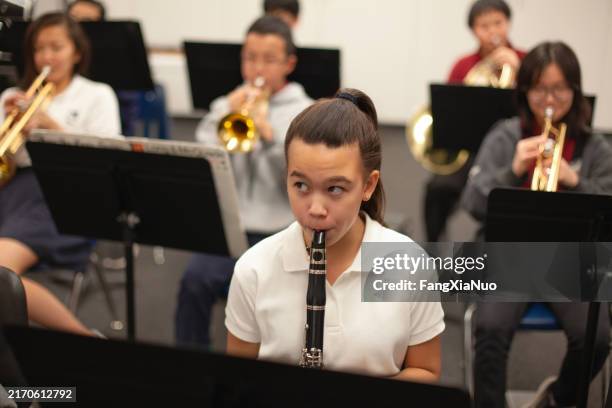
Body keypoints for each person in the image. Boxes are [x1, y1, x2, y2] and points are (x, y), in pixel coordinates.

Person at [225, 88, 445, 380]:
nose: (315, 209)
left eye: (335, 189)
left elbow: (426, 370)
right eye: (301, 185)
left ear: (368, 186)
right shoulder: (254, 269)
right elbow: (236, 381)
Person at [460, 42, 611, 408]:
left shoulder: (595, 147)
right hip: (509, 258)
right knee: (490, 329)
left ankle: (557, 399)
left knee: (596, 336)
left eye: (559, 88)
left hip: (569, 262)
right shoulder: (505, 135)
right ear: (524, 90)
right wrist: (512, 170)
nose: (549, 98)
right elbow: (472, 203)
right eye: (539, 88)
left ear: (575, 91)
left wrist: (576, 182)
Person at [175, 15, 312, 348]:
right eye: (250, 59)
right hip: (231, 228)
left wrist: (268, 134)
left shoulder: (305, 113)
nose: (257, 69)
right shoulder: (226, 104)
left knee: (275, 304)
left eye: (268, 60)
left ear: (289, 64)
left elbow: (305, 180)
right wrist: (225, 118)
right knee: (193, 282)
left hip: (282, 230)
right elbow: (199, 159)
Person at [0, 12, 121, 336]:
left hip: (66, 194)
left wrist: (49, 125)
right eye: (39, 49)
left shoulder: (98, 94)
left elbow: (106, 160)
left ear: (77, 52)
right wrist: (14, 130)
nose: (47, 57)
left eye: (56, 47)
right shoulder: (13, 97)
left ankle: (82, 339)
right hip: (14, 189)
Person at [424, 0, 526, 242]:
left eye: (498, 23)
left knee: (509, 196)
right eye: (484, 25)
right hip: (467, 149)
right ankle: (432, 249)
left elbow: (535, 103)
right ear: (473, 30)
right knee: (436, 189)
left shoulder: (525, 59)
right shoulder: (463, 66)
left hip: (511, 151)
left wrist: (519, 71)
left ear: (508, 24)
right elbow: (447, 110)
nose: (492, 31)